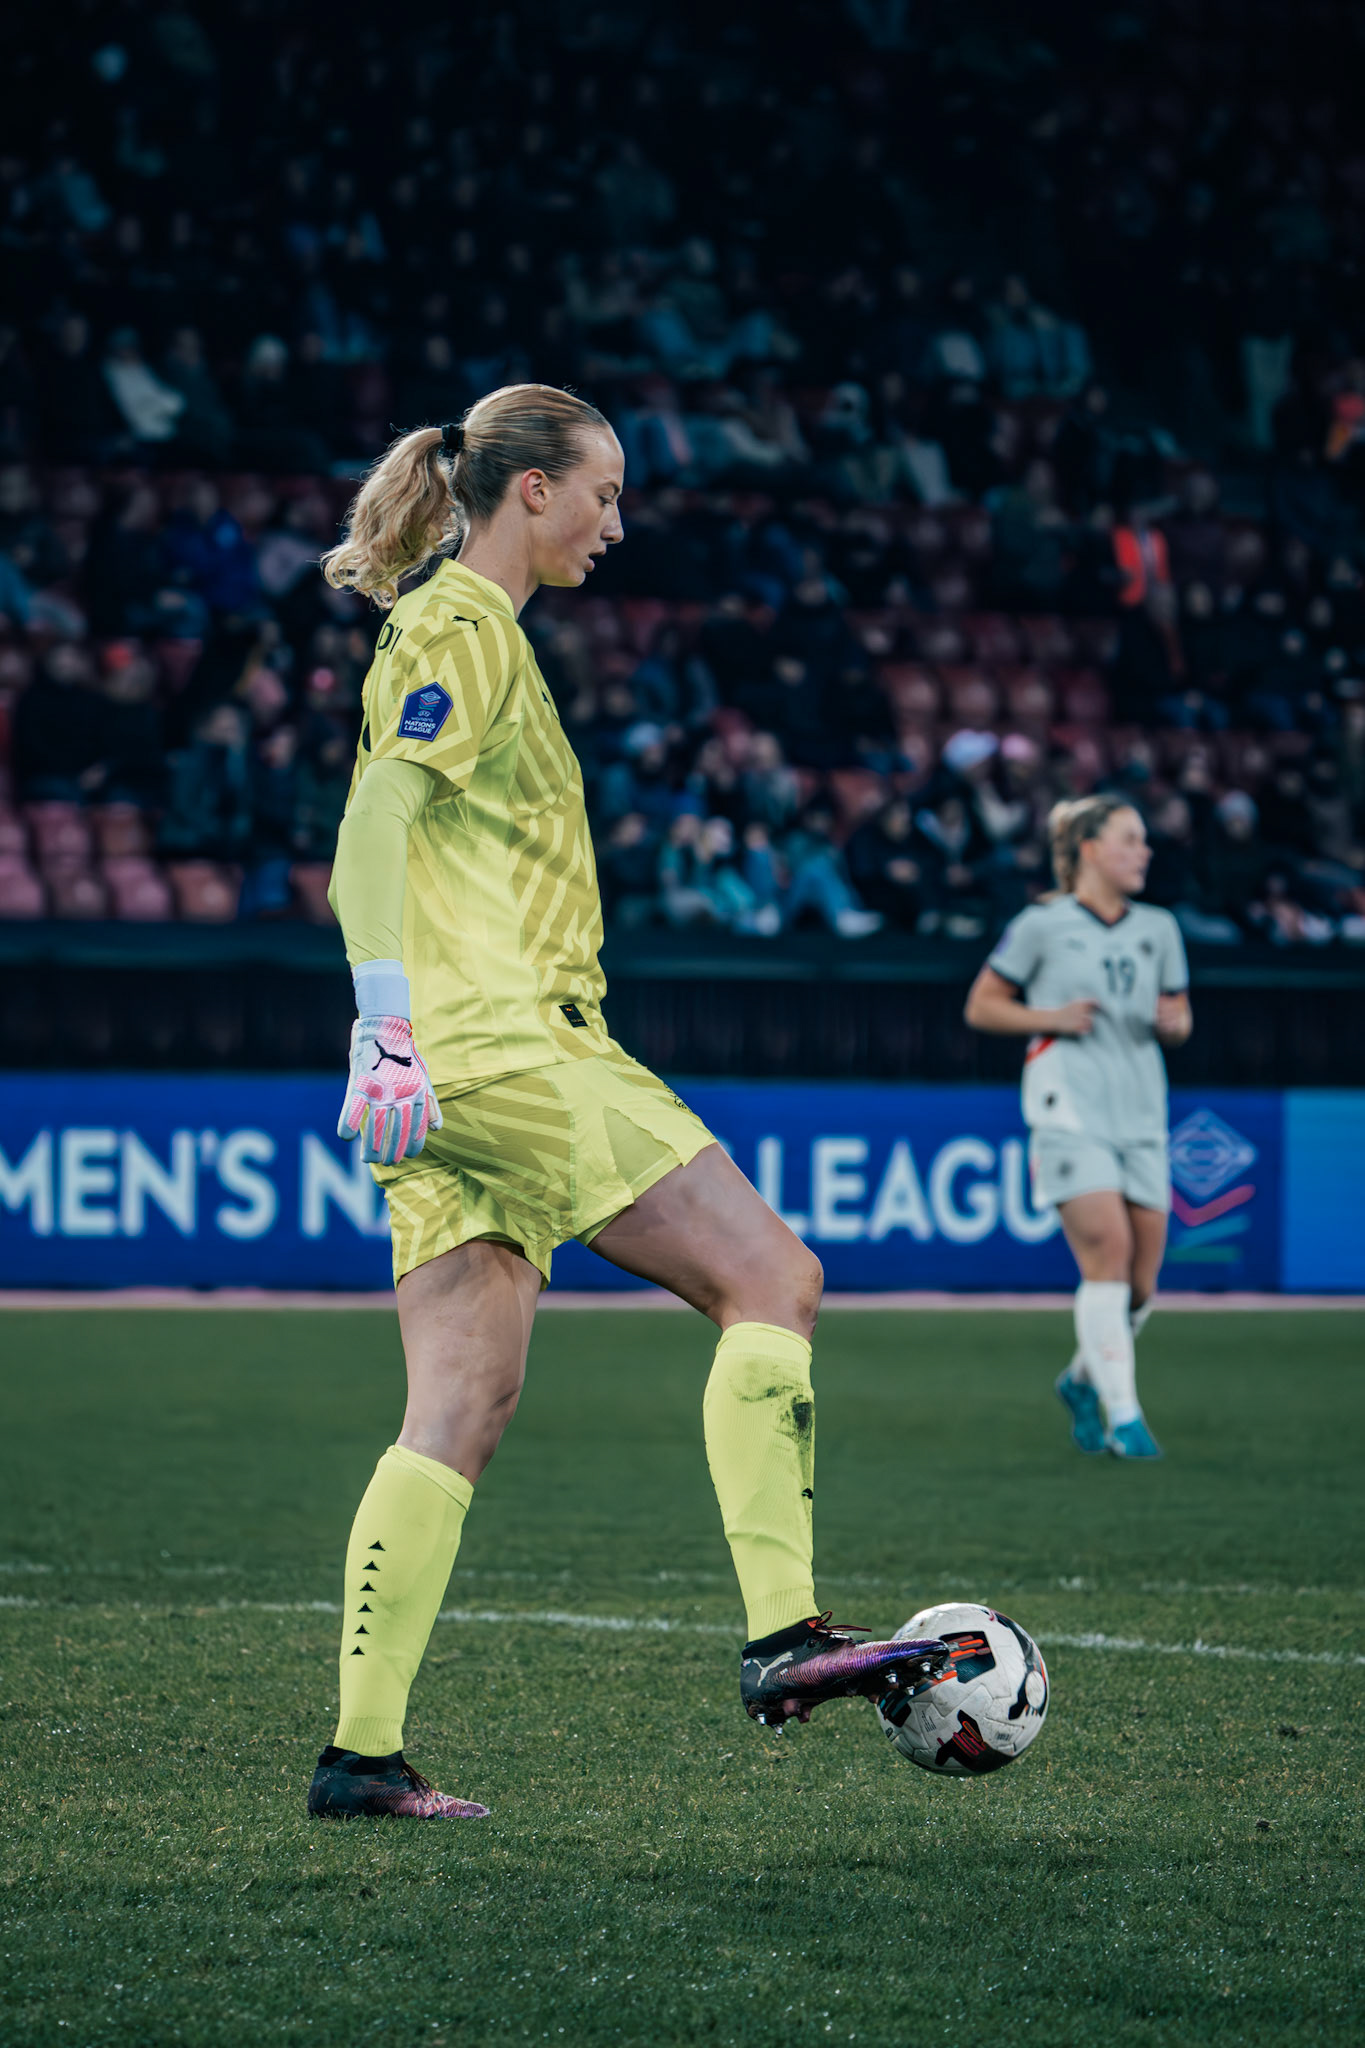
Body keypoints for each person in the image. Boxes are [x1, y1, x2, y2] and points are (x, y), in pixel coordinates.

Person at [310, 385, 949, 1822]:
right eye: (603, 491)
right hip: (511, 1051)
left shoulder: (464, 632)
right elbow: (372, 825)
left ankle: (359, 1759)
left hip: (453, 1077)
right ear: (529, 490)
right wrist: (386, 1024)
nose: (618, 519)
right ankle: (787, 1636)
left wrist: (402, 1041)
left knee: (456, 1409)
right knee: (773, 1275)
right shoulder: (463, 627)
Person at [963, 795, 1193, 1461]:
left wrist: (1175, 1024)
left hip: (1142, 1115)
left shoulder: (1158, 928)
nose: (1142, 851)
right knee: (1106, 1253)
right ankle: (1125, 1418)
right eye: (1129, 839)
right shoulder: (1041, 924)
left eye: (1143, 840)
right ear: (1089, 849)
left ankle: (1080, 1380)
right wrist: (1052, 1018)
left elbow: (1177, 1014)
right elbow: (981, 1006)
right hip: (1068, 1112)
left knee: (1142, 1284)